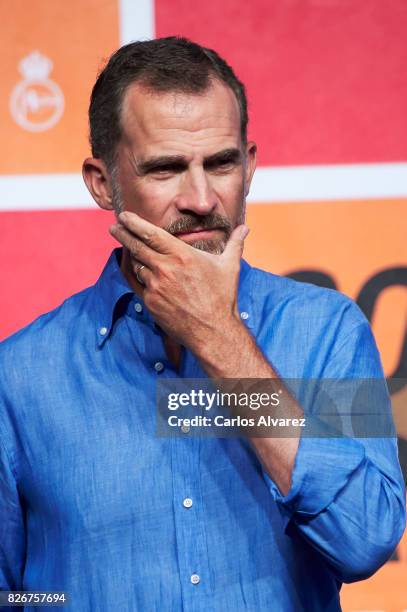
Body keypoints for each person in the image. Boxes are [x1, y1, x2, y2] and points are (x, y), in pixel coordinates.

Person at [0, 36, 405, 612]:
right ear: (101, 183)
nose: (199, 197)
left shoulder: (328, 330)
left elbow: (363, 539)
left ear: (252, 165)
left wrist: (221, 338)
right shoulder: (17, 377)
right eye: (165, 168)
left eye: (221, 163)